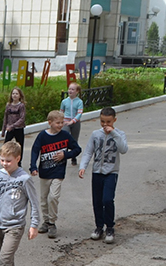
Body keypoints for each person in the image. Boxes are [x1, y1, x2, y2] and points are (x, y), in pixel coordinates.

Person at [79, 107, 130, 243]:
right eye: (102, 121)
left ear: (114, 120)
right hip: (97, 172)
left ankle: (110, 227)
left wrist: (114, 133)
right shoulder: (96, 134)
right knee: (97, 201)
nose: (105, 125)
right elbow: (88, 152)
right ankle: (99, 227)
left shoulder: (120, 134)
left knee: (107, 200)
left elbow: (123, 149)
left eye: (108, 122)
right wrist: (83, 166)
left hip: (111, 172)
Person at [29, 110, 82, 239]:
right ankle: (46, 221)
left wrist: (65, 155)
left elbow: (77, 149)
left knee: (53, 197)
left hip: (58, 172)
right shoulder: (42, 136)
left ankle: (52, 223)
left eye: (62, 122)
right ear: (50, 122)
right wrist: (33, 166)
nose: (60, 125)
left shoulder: (65, 136)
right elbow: (35, 150)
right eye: (57, 123)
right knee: (44, 199)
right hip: (45, 172)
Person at [1, 87, 27, 164]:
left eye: (16, 94)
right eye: (13, 94)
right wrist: (3, 130)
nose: (14, 95)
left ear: (20, 96)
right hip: (10, 129)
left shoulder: (21, 106)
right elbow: (5, 117)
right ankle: (5, 159)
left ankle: (18, 162)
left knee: (20, 145)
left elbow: (22, 118)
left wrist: (13, 126)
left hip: (18, 128)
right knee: (6, 145)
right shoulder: (8, 105)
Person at [61, 83, 84, 167]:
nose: (70, 91)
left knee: (74, 139)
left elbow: (79, 113)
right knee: (65, 139)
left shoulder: (79, 102)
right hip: (66, 122)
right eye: (69, 89)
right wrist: (61, 121)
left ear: (77, 91)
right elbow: (61, 111)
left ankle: (73, 157)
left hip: (75, 122)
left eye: (72, 89)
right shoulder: (64, 101)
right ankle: (64, 156)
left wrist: (73, 121)